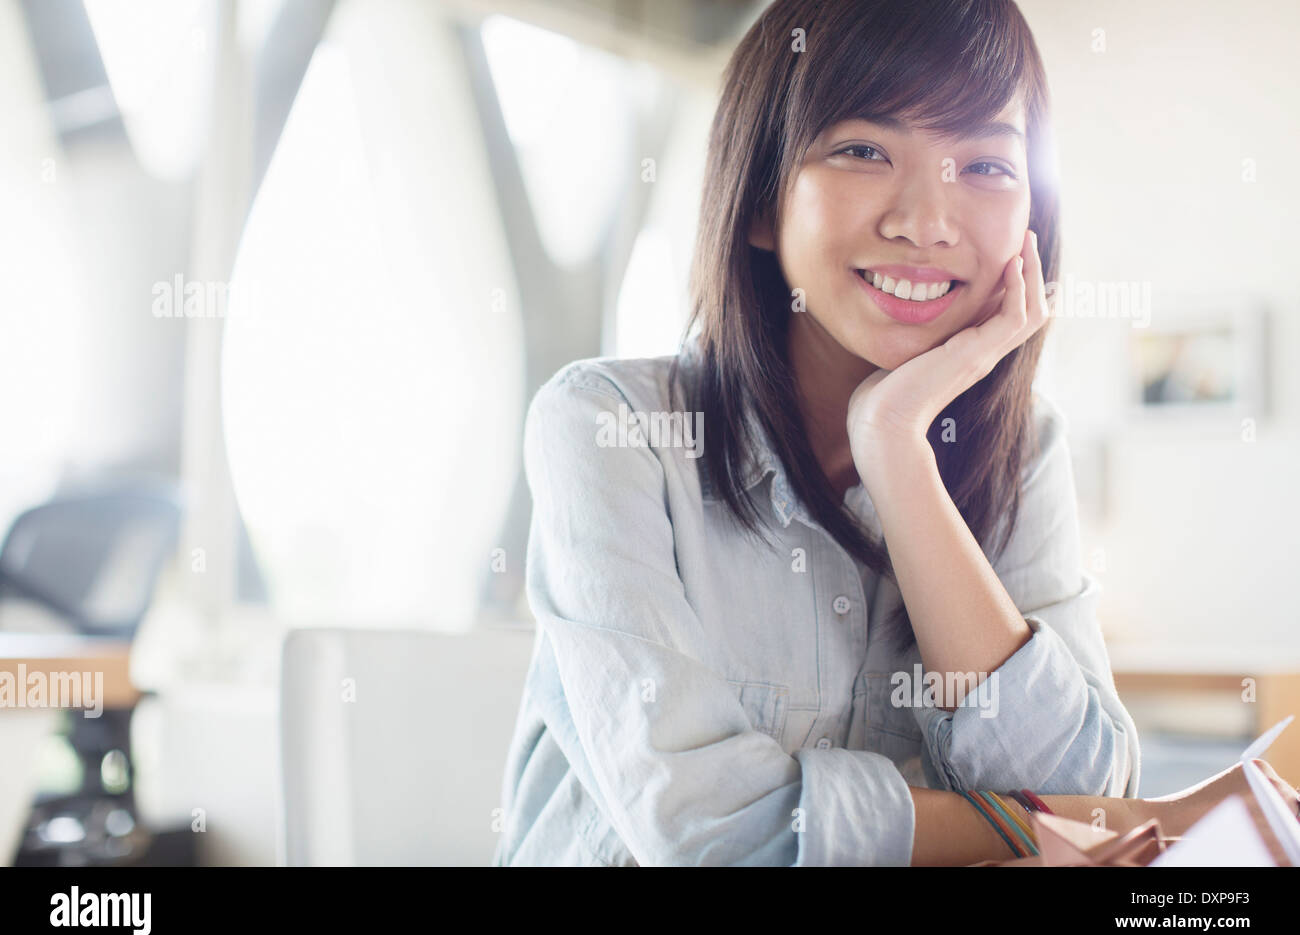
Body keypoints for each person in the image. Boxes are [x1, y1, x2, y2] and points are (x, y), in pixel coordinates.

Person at [492, 0, 1299, 866]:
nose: (927, 221)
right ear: (760, 203)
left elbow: (1081, 782)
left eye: (986, 164)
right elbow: (708, 832)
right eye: (864, 151)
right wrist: (1067, 825)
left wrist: (896, 450)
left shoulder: (1023, 448)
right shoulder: (611, 428)